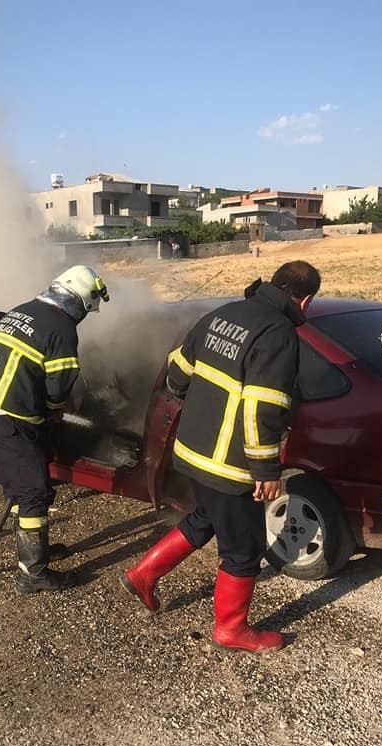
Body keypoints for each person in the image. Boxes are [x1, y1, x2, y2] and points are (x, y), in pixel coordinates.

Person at [121, 260, 321, 653]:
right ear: (306, 300)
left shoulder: (224, 314)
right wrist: (266, 470)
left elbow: (178, 366)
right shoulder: (277, 333)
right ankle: (231, 629)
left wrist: (180, 393)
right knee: (244, 549)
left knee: (203, 519)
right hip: (228, 463)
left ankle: (143, 574)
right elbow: (263, 407)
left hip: (192, 452)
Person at [0, 265, 110, 595]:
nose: (82, 317)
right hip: (8, 419)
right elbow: (59, 384)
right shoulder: (61, 327)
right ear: (76, 301)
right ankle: (33, 574)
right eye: (85, 309)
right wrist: (54, 410)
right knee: (34, 492)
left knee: (20, 489)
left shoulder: (20, 311)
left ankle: (36, 552)